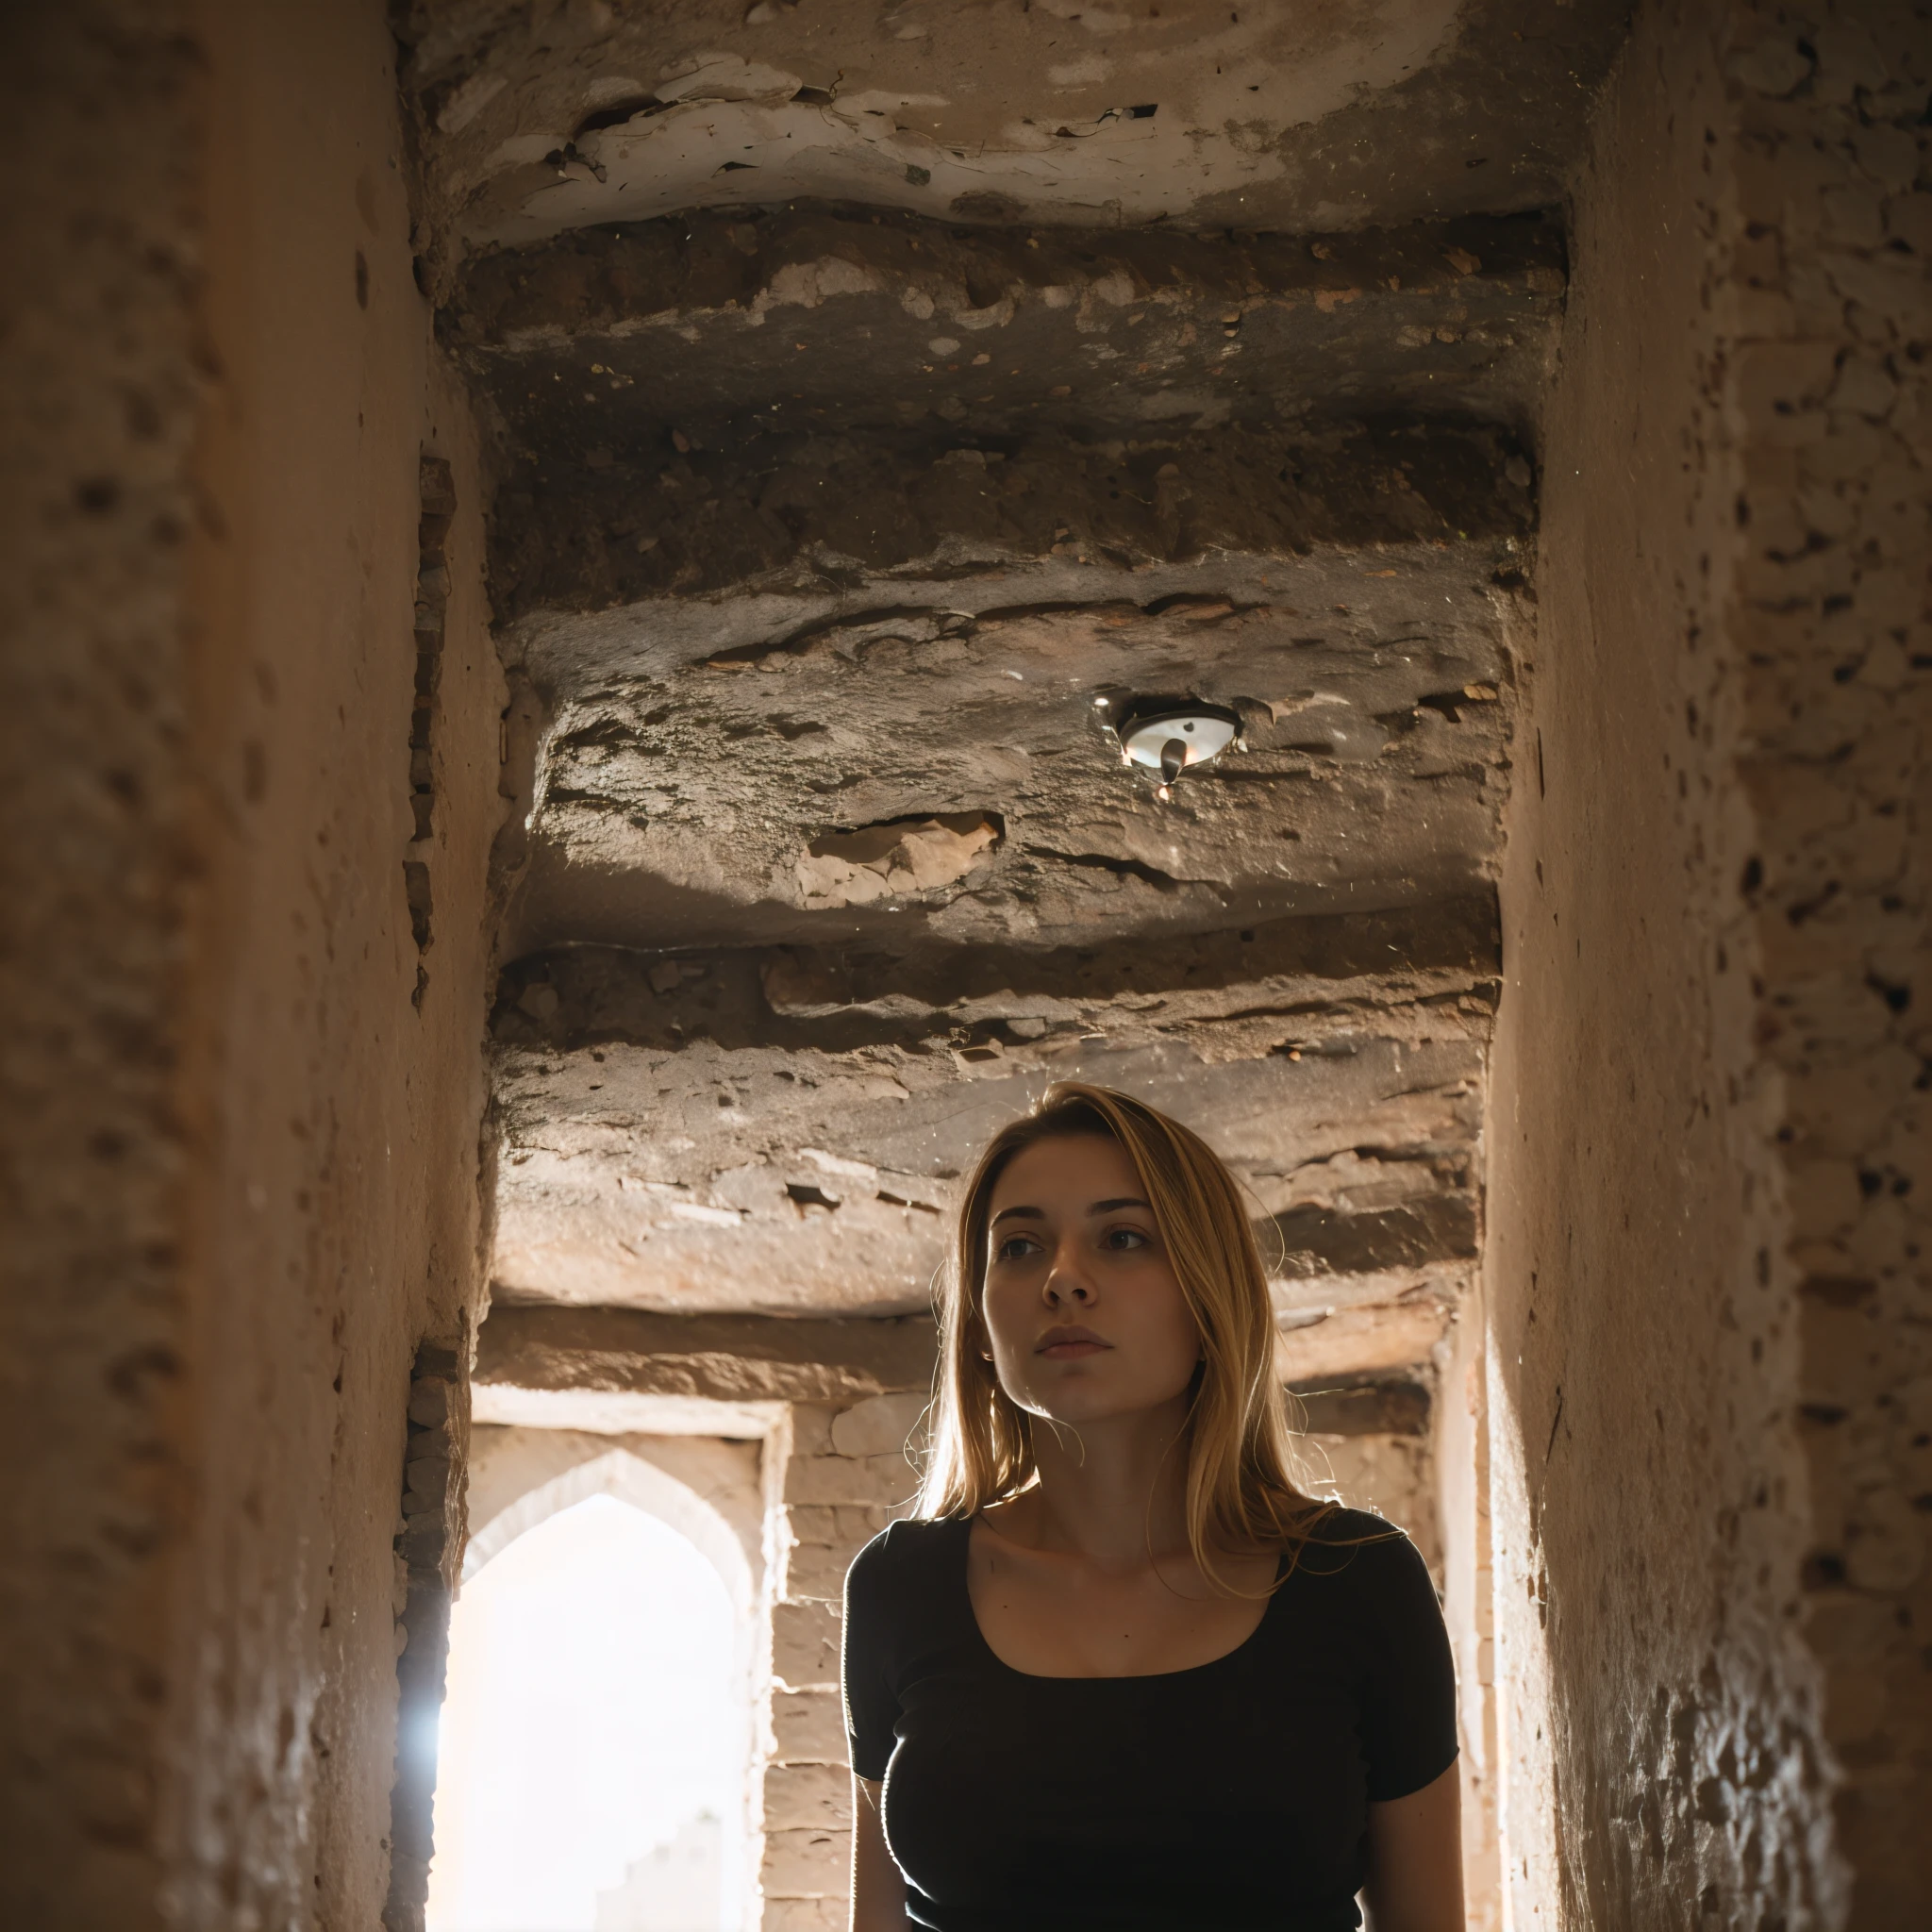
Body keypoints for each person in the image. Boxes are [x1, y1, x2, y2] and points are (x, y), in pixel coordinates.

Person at [841, 1082, 1463, 1932]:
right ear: (981, 1327)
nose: (1063, 1278)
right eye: (1019, 1247)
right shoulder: (900, 1583)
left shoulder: (1356, 1579)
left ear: (1209, 1297)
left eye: (1122, 1237)